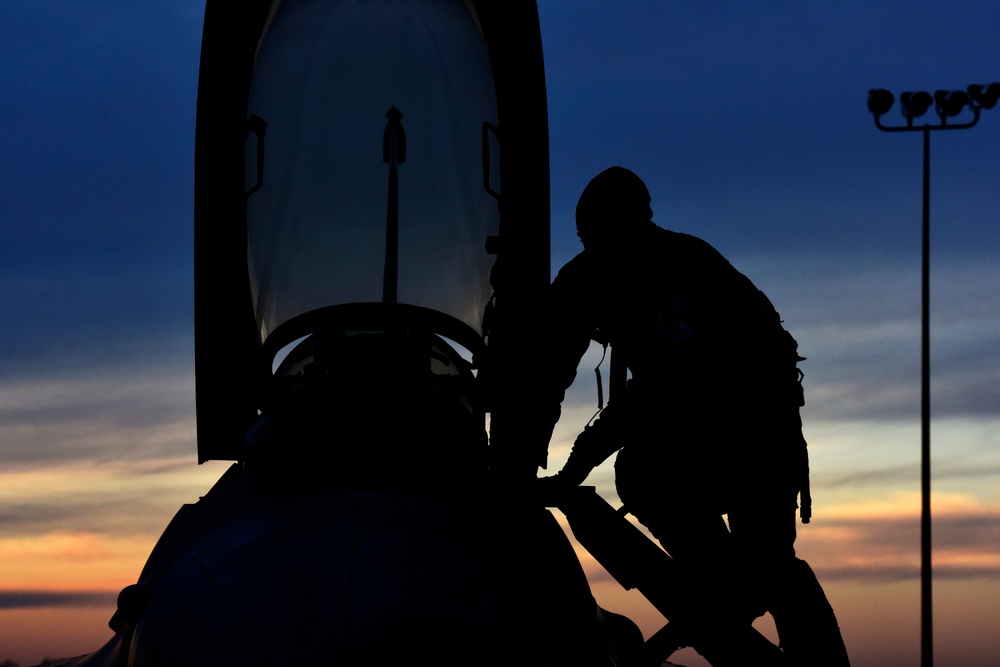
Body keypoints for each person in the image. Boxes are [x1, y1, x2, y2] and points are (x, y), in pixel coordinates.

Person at [528, 166, 850, 666]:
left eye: (607, 233)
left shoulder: (685, 269)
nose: (600, 247)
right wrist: (519, 465)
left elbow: (666, 388)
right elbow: (543, 372)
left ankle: (775, 624)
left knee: (767, 570)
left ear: (638, 223)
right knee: (664, 500)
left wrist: (576, 463)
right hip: (700, 438)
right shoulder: (586, 277)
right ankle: (719, 591)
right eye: (590, 237)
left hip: (760, 435)